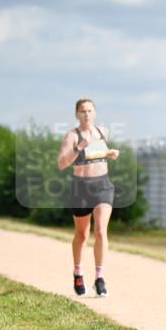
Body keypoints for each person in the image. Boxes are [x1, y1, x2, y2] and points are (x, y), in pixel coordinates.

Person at [57, 98, 120, 297]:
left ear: (95, 113)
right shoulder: (72, 136)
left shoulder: (102, 132)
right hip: (81, 187)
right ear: (77, 114)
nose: (86, 114)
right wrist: (78, 148)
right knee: (82, 234)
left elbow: (99, 154)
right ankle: (78, 272)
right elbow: (62, 164)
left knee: (101, 230)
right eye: (82, 110)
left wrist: (110, 154)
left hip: (102, 185)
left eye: (89, 110)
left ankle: (100, 278)